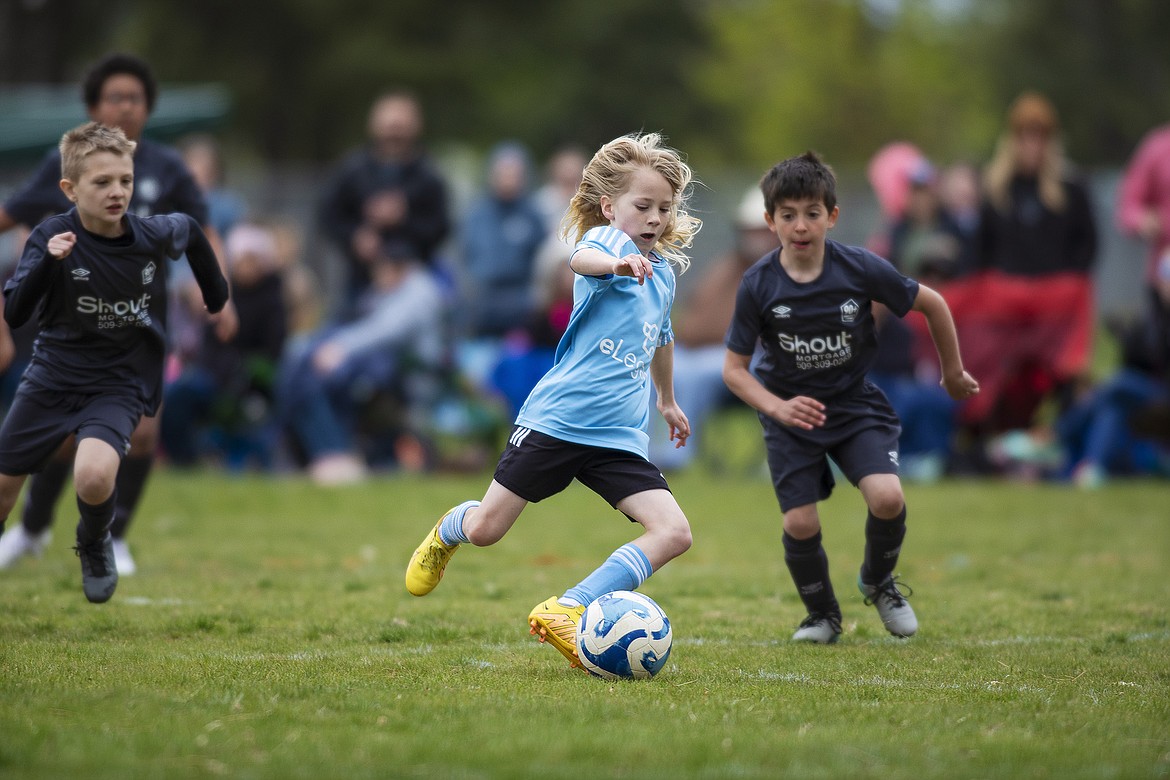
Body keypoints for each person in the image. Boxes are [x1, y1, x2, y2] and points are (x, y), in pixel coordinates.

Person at [403, 132, 701, 672]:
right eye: (643, 206)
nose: (655, 218)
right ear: (611, 207)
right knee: (486, 531)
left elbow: (662, 337)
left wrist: (668, 399)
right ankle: (450, 528)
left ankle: (567, 606)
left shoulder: (663, 277)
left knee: (675, 532)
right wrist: (616, 266)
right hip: (559, 421)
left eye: (664, 207)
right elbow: (580, 258)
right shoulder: (609, 244)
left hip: (617, 438)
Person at [721, 151, 979, 644]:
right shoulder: (758, 284)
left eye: (812, 213)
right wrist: (777, 408)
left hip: (853, 405)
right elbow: (734, 371)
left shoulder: (857, 268)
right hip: (789, 415)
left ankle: (879, 582)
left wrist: (952, 371)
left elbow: (933, 302)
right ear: (770, 220)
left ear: (831, 216)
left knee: (887, 497)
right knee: (799, 521)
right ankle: (822, 616)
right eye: (788, 215)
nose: (801, 226)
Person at [0, 52, 236, 575]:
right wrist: (40, 265)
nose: (126, 106)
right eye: (115, 97)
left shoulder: (167, 170)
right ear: (92, 107)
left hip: (135, 343)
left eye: (135, 98)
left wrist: (221, 295)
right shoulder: (63, 175)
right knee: (61, 445)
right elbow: (13, 231)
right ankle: (35, 528)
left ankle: (112, 538)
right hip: (65, 343)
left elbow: (199, 230)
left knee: (125, 446)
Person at [277, 240, 446, 484]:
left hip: (410, 376)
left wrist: (339, 348)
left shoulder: (419, 291)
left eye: (380, 268)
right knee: (307, 371)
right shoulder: (391, 288)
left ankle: (331, 453)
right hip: (378, 366)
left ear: (398, 268)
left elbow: (384, 332)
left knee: (315, 377)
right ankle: (330, 453)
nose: (376, 275)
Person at [649, 186, 779, 471]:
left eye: (760, 230)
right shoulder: (727, 267)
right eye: (750, 230)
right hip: (696, 350)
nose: (754, 237)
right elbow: (694, 316)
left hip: (746, 360)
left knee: (698, 373)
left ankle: (675, 456)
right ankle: (637, 452)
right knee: (652, 369)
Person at [160, 223, 287, 471]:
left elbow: (273, 350)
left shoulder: (272, 301)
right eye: (241, 261)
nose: (246, 267)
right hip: (211, 372)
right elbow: (209, 342)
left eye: (251, 260)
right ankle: (185, 461)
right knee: (173, 397)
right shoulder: (223, 294)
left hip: (246, 381)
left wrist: (241, 370)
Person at [318, 91, 451, 320]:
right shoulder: (353, 170)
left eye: (401, 126)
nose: (394, 132)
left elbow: (441, 227)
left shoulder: (429, 176)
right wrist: (354, 237)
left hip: (412, 283)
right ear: (374, 125)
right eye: (390, 125)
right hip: (361, 281)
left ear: (415, 127)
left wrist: (404, 219)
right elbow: (328, 216)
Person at [457, 141, 548, 339]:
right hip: (482, 305)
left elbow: (541, 261)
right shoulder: (476, 214)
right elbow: (464, 257)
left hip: (521, 305)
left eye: (514, 174)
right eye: (503, 173)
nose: (508, 180)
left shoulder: (533, 215)